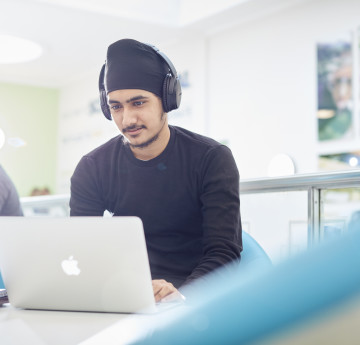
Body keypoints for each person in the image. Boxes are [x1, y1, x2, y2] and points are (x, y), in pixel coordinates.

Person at [70, 39, 242, 302]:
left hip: (195, 299)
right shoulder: (92, 167)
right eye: (116, 106)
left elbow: (224, 253)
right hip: (126, 297)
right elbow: (81, 249)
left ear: (167, 100)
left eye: (138, 103)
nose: (127, 119)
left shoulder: (211, 159)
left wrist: (180, 298)